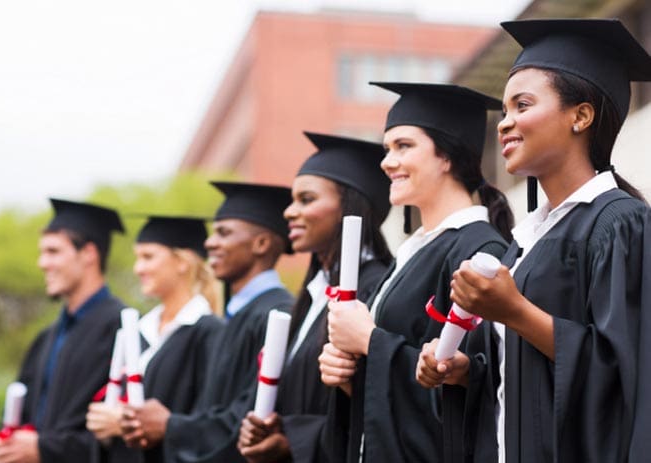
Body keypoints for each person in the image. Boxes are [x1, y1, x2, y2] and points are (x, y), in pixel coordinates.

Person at [421, 18, 651, 463]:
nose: (505, 124)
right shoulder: (527, 242)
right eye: (504, 111)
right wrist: (467, 373)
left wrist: (515, 311)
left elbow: (628, 377)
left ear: (580, 116)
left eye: (522, 106)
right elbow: (521, 381)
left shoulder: (621, 225)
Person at [319, 82, 513, 463]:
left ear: (447, 157)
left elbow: (471, 390)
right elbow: (388, 387)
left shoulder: (478, 251)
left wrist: (369, 340)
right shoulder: (414, 252)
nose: (386, 162)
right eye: (387, 148)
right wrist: (347, 375)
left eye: (403, 146)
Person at [237, 132, 393, 462]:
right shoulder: (311, 296)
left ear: (349, 207)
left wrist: (292, 439)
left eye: (306, 200)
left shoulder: (375, 290)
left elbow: (372, 405)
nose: (289, 212)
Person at [121, 181, 295, 462]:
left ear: (260, 244)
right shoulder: (237, 315)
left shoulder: (275, 314)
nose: (209, 243)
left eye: (223, 233)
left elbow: (249, 418)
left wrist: (170, 425)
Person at [0, 198, 126, 463]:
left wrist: (44, 448)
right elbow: (23, 414)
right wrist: (4, 447)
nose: (42, 263)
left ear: (88, 254)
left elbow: (122, 437)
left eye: (53, 251)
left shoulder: (122, 329)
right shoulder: (46, 338)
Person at [86, 216, 224, 463]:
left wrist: (125, 423)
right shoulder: (138, 330)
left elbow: (206, 424)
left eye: (148, 257)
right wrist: (106, 426)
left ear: (182, 262)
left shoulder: (209, 332)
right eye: (138, 257)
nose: (138, 268)